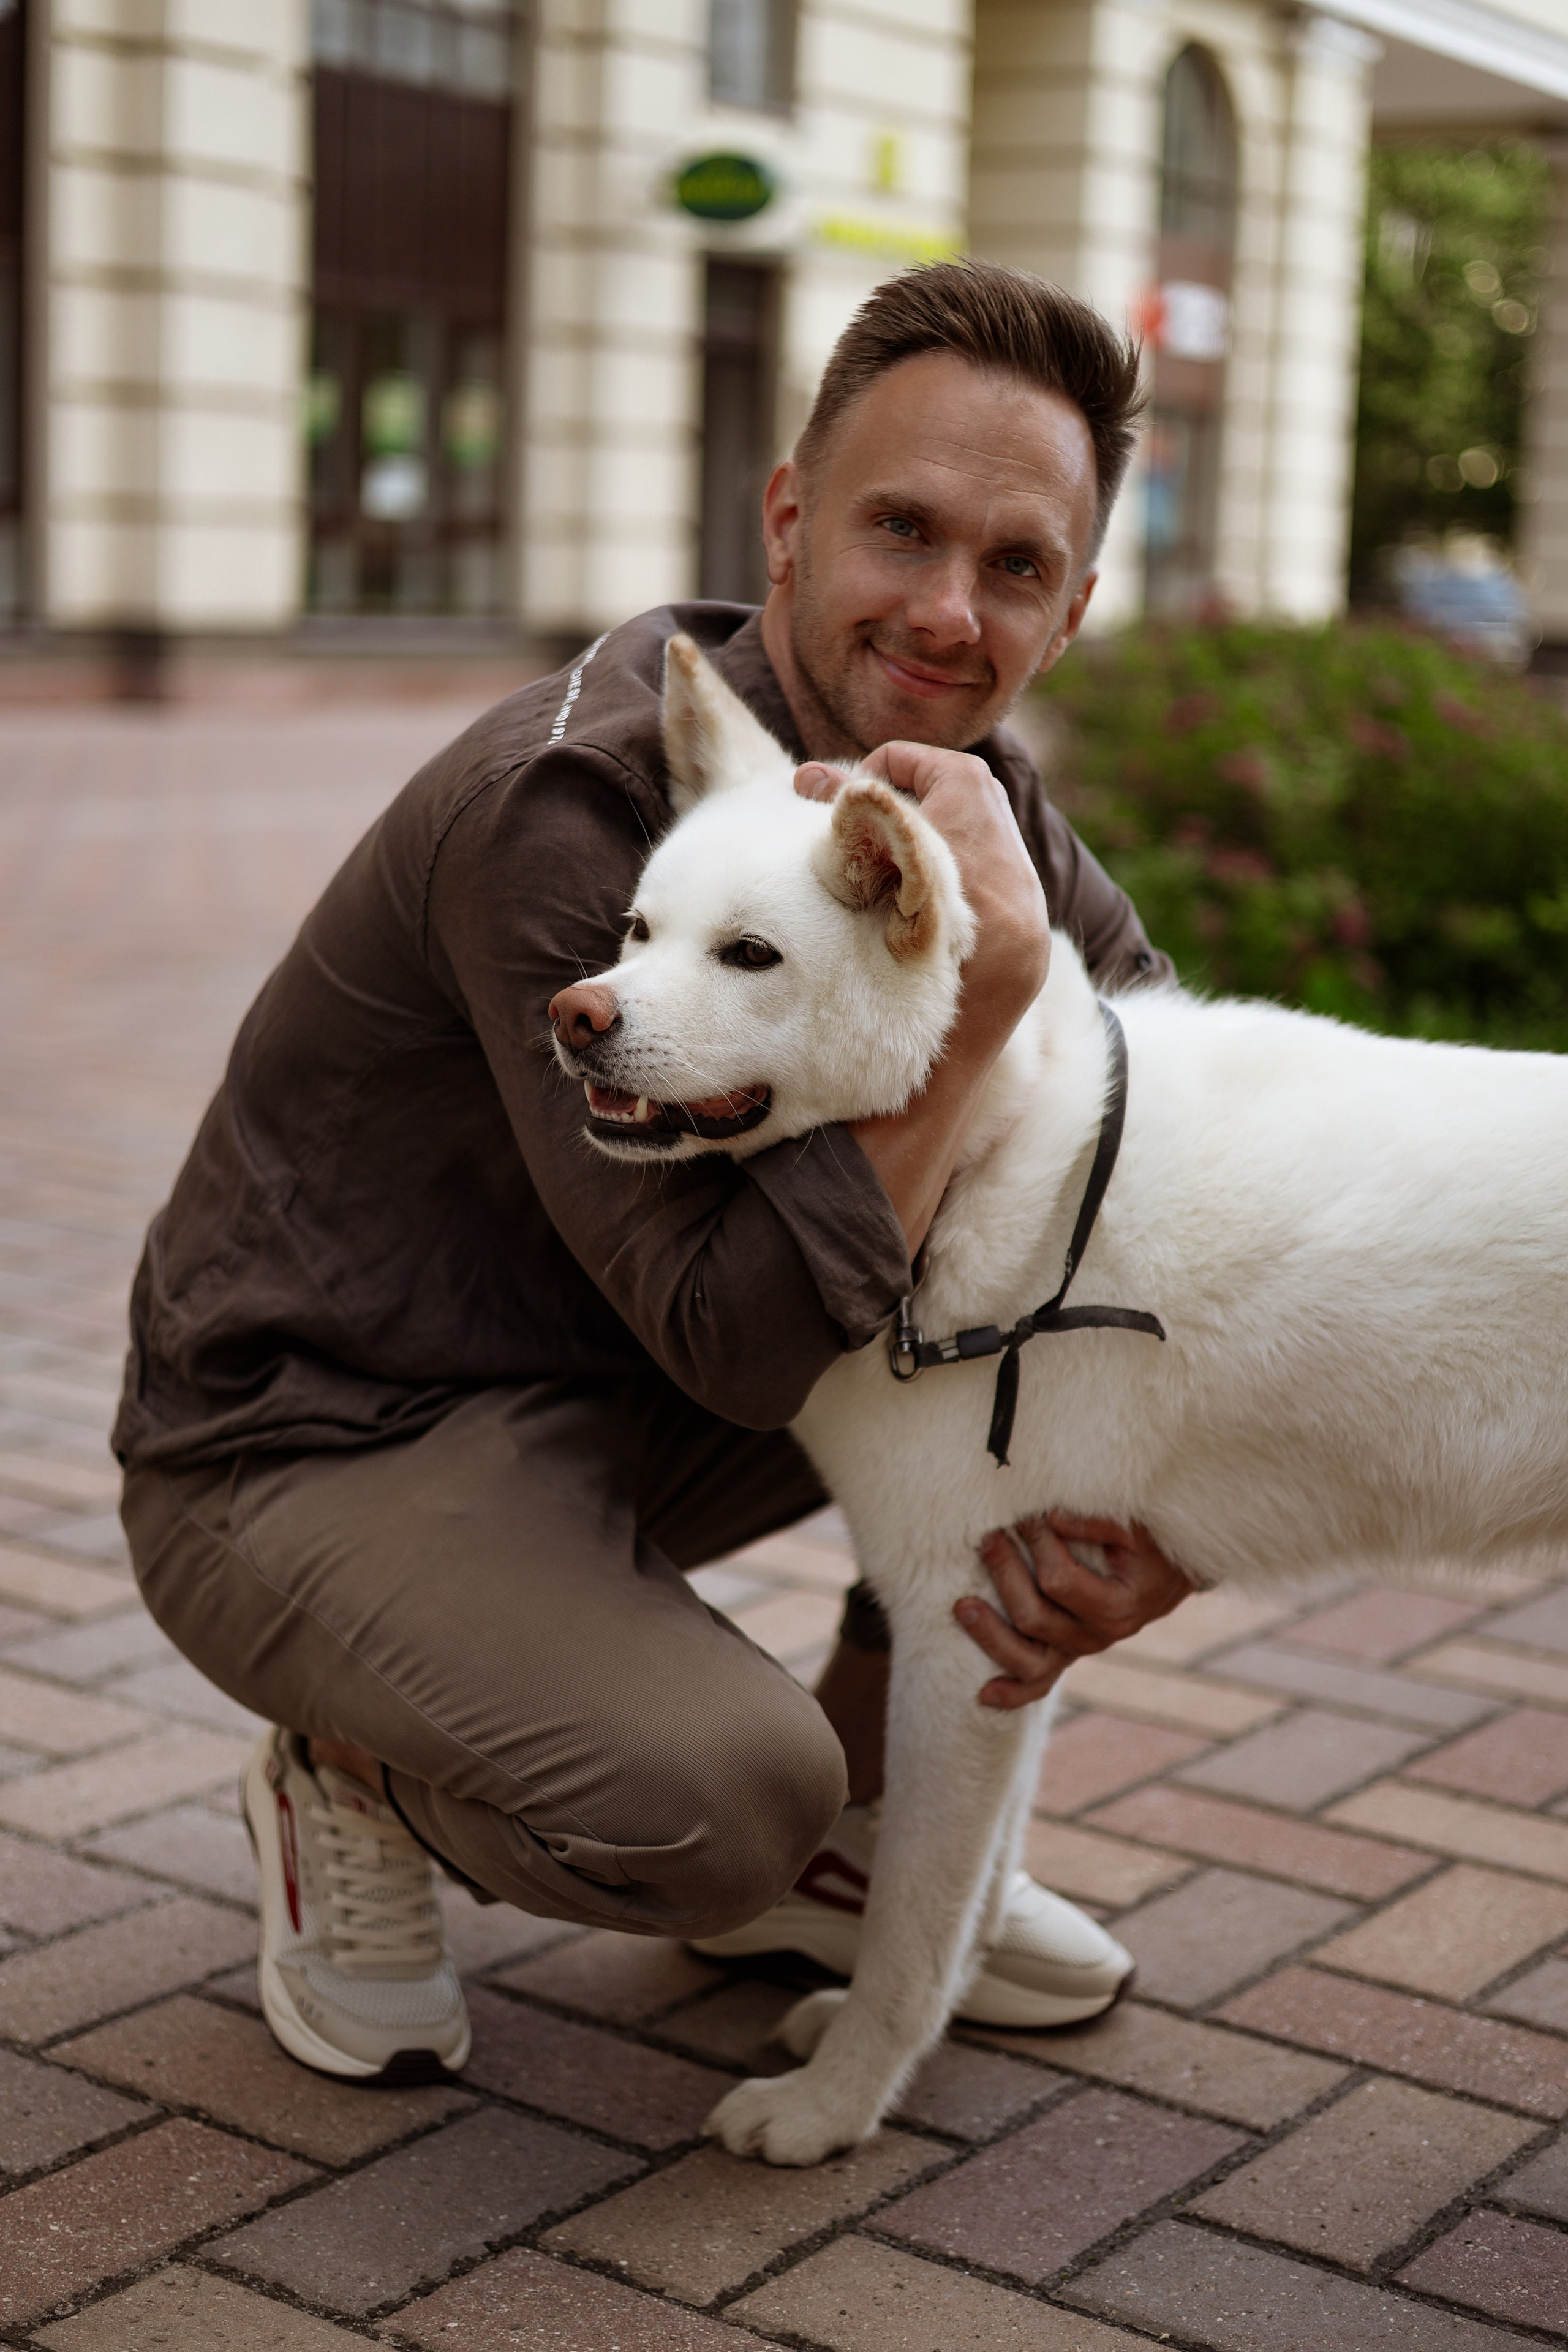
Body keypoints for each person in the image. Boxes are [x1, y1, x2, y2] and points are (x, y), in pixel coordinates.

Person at [114, 261, 1192, 2086]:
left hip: (621, 1400)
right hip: (320, 1431)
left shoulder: (969, 809)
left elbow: (1185, 1163)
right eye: (901, 529)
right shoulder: (585, 805)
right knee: (710, 1806)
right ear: (786, 521)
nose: (948, 611)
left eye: (1014, 567)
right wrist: (996, 992)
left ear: (1074, 608)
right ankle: (351, 1761)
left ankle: (870, 1824)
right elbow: (735, 1337)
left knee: (1068, 1279)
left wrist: (1162, 1529)